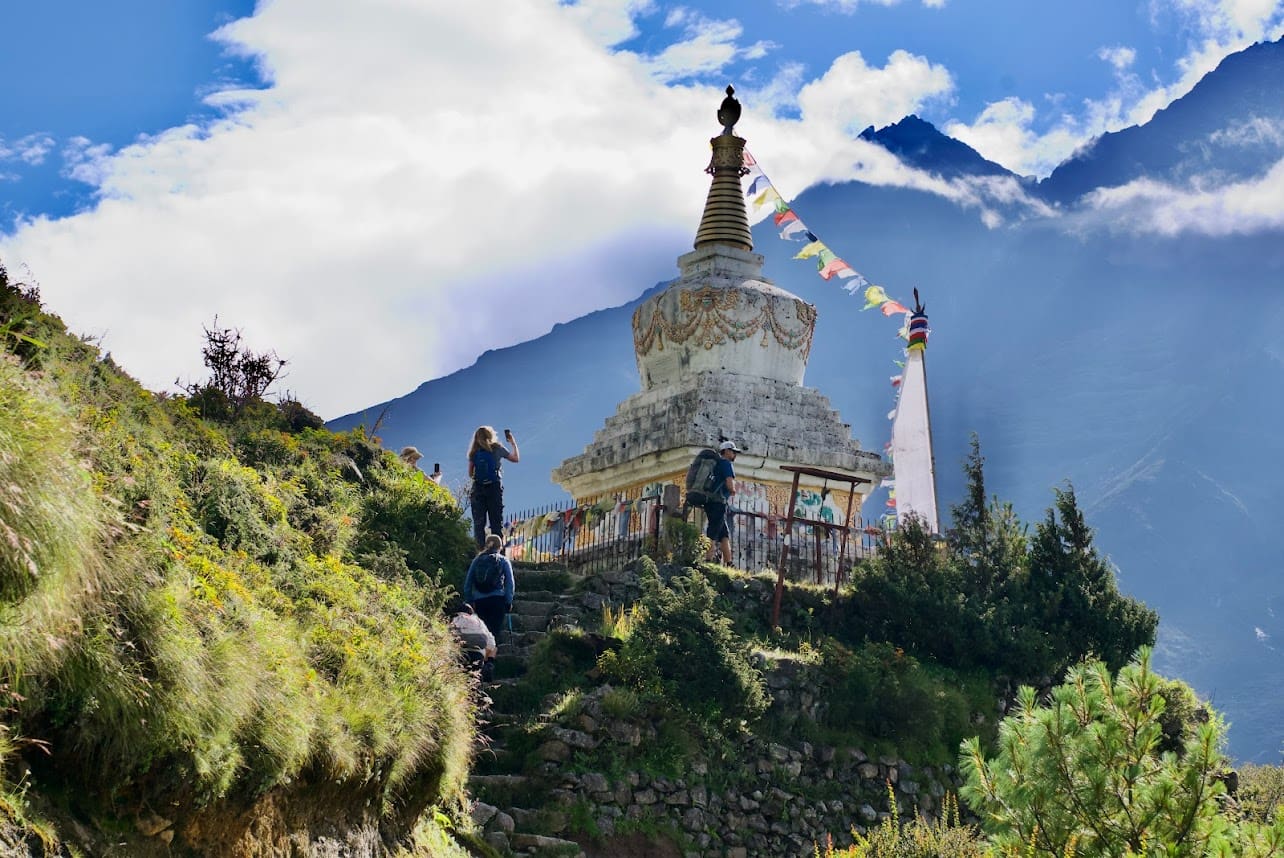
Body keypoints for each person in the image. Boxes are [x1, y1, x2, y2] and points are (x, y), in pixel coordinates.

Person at [467, 426, 519, 548]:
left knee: (479, 524)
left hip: (478, 489)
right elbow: (515, 459)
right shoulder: (497, 448)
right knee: (496, 523)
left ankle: (479, 552)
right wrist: (513, 442)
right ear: (491, 435)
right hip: (494, 488)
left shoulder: (473, 452)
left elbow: (470, 473)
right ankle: (497, 553)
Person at [463, 534, 515, 641]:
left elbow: (468, 583)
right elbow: (510, 583)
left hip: (479, 601)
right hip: (497, 601)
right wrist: (508, 601)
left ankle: (483, 656)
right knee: (494, 633)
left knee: (482, 632)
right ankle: (492, 656)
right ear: (500, 547)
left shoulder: (477, 560)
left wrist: (470, 601)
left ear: (486, 546)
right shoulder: (503, 560)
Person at [705, 440, 740, 566]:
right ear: (726, 452)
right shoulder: (726, 464)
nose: (734, 455)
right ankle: (708, 560)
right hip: (718, 502)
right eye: (733, 452)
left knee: (724, 533)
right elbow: (730, 484)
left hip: (710, 502)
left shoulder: (715, 465)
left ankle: (729, 562)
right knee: (713, 531)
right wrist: (733, 491)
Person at [449, 604, 496, 680]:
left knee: (459, 678)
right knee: (476, 679)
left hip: (460, 652)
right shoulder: (479, 621)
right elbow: (491, 643)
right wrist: (485, 657)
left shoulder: (456, 618)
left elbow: (448, 635)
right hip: (478, 653)